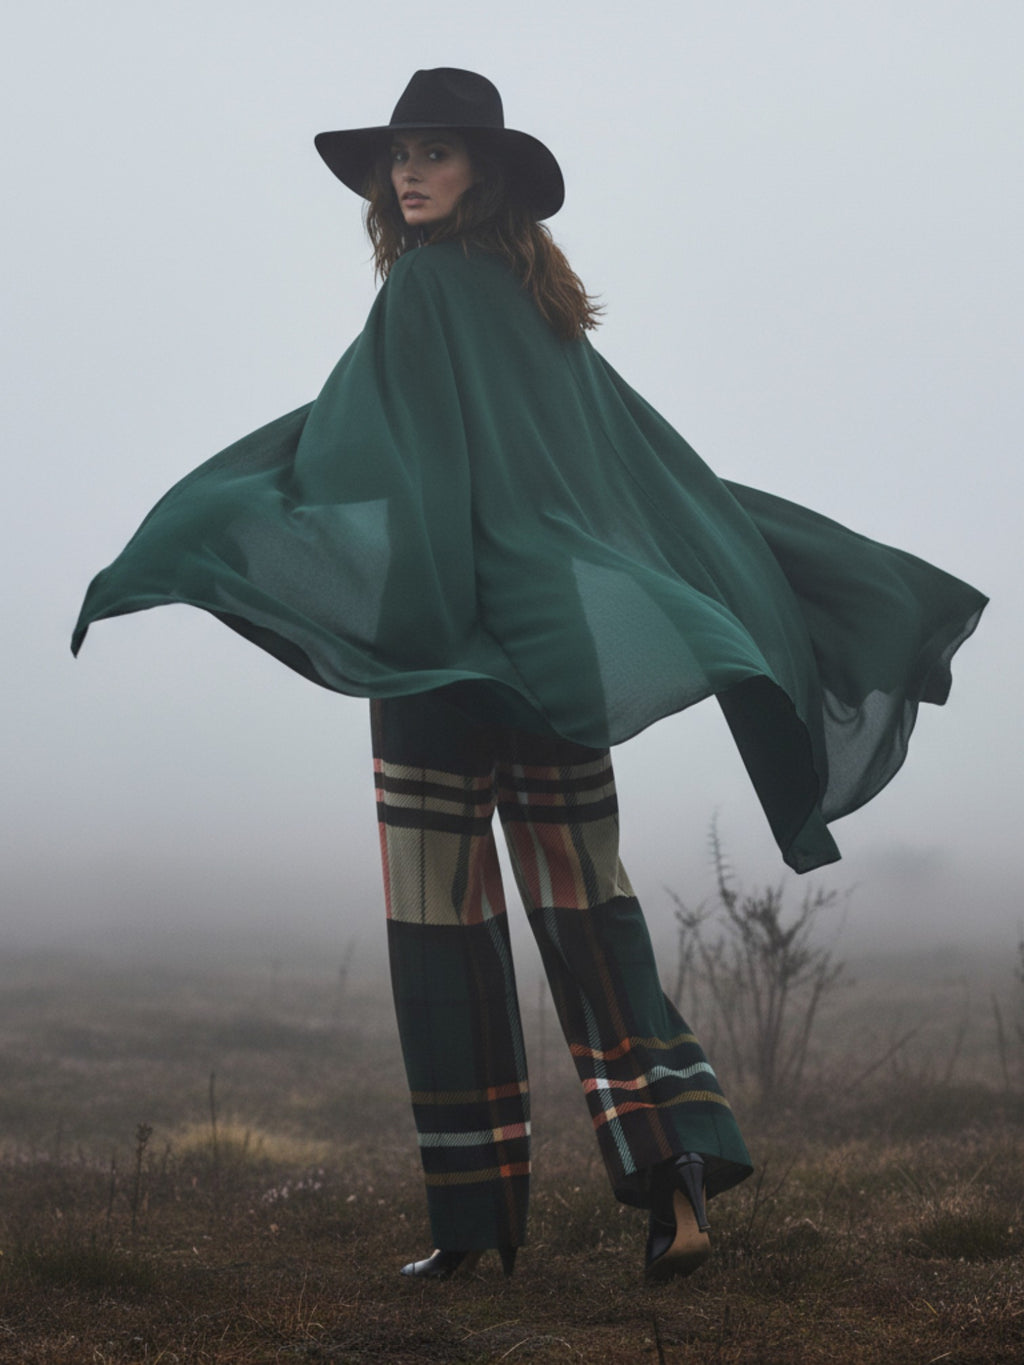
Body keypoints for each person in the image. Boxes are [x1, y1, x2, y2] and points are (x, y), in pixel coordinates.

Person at [72, 69, 986, 1281]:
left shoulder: (427, 295)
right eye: (399, 154)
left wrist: (224, 512)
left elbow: (357, 457)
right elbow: (636, 483)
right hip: (553, 657)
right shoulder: (541, 310)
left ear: (482, 174)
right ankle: (680, 1179)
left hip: (440, 651)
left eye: (434, 153)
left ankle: (473, 1226)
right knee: (589, 909)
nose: (408, 173)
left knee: (439, 923)